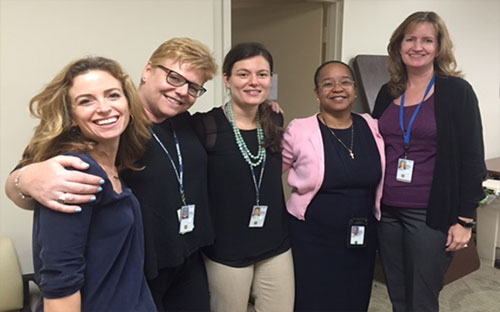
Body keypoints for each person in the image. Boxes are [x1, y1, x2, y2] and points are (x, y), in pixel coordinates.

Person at [5, 38, 218, 312]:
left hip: (186, 259)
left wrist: (265, 110)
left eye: (193, 87)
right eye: (174, 77)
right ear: (147, 70)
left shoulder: (183, 123)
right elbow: (27, 179)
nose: (182, 91)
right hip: (137, 270)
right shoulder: (103, 131)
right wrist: (23, 179)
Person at [19, 56, 155, 311]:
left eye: (113, 95)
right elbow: (60, 284)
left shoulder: (112, 166)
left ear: (128, 103)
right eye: (86, 101)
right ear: (71, 117)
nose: (103, 108)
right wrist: (21, 179)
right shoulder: (73, 172)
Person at [372, 11, 486, 312]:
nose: (417, 46)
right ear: (399, 45)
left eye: (427, 40)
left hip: (429, 213)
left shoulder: (456, 92)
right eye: (410, 39)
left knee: (422, 297)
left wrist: (465, 220)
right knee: (396, 291)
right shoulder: (388, 92)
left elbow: (473, 158)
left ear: (439, 47)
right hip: (387, 210)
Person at [191, 42, 294, 312]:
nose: (254, 81)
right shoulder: (206, 126)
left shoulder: (274, 118)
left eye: (262, 74)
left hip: (275, 244)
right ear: (226, 79)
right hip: (227, 250)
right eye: (243, 73)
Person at [282, 60, 385, 311]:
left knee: (354, 296)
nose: (337, 88)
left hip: (361, 234)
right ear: (317, 93)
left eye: (345, 82)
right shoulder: (300, 129)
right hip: (311, 235)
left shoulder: (372, 126)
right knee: (312, 298)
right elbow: (268, 171)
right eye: (327, 84)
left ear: (355, 89)